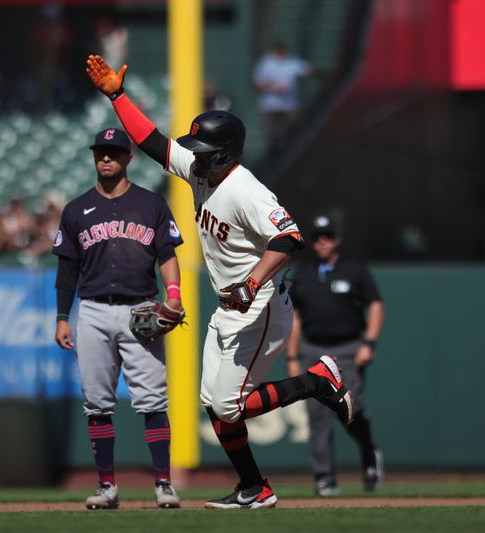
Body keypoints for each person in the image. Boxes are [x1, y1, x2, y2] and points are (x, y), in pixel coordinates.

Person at [86, 54, 354, 509]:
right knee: (215, 404)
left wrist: (251, 282)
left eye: (203, 150)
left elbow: (289, 238)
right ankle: (255, 488)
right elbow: (151, 142)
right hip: (230, 306)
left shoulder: (247, 191)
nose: (194, 155)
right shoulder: (200, 169)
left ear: (226, 154)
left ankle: (317, 381)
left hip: (260, 305)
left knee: (228, 407)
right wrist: (117, 96)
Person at [52, 127, 185, 510]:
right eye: (100, 152)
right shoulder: (76, 210)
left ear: (128, 157)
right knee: (96, 402)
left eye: (113, 151)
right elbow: (67, 270)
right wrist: (62, 316)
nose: (105, 157)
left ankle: (163, 483)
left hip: (141, 308)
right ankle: (107, 486)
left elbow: (167, 255)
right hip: (92, 309)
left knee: (152, 400)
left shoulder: (152, 204)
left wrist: (173, 296)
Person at [286, 213, 385, 496]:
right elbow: (295, 316)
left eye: (327, 236)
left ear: (337, 238)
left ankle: (369, 453)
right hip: (313, 349)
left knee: (350, 410)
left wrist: (369, 342)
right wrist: (292, 356)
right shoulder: (303, 272)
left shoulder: (354, 269)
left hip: (348, 349)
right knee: (317, 415)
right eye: (317, 237)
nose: (322, 242)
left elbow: (376, 304)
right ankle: (324, 478)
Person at [252, 41, 314, 151]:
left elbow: (308, 71)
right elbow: (258, 85)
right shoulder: (266, 63)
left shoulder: (292, 62)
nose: (281, 54)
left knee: (292, 134)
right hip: (271, 106)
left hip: (289, 106)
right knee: (272, 137)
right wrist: (275, 88)